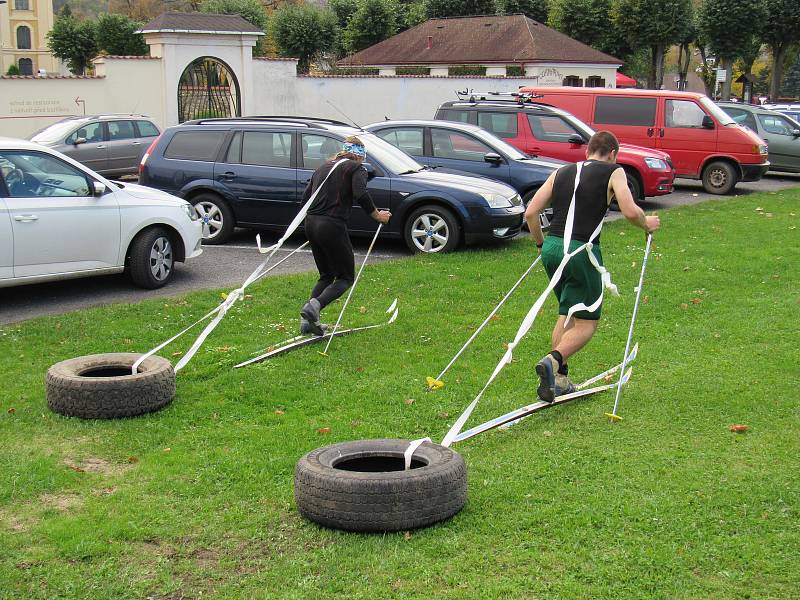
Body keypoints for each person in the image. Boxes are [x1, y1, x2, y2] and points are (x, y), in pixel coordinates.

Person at [524, 131, 660, 402]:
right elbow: (631, 211)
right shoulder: (614, 171)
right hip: (581, 250)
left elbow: (530, 213)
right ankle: (553, 360)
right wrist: (647, 224)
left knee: (567, 311)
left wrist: (540, 245)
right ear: (612, 153)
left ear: (588, 151)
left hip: (552, 248)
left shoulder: (561, 171)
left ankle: (559, 380)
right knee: (587, 323)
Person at [300, 136, 391, 336]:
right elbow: (360, 192)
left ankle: (308, 323)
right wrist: (377, 215)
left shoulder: (324, 167)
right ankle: (314, 306)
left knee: (326, 275)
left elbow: (306, 197)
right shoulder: (356, 168)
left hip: (311, 223)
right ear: (361, 156)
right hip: (331, 225)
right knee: (345, 277)